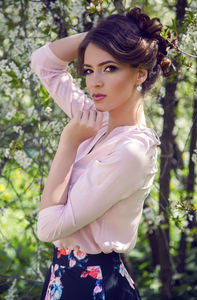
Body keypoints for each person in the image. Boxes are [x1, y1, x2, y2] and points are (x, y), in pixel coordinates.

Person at [31, 7, 172, 300]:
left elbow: (48, 228)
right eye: (89, 70)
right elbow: (44, 62)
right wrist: (103, 36)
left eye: (109, 68)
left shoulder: (132, 151)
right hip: (62, 278)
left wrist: (68, 144)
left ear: (140, 74)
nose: (94, 82)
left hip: (94, 287)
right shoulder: (98, 119)